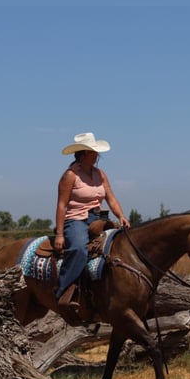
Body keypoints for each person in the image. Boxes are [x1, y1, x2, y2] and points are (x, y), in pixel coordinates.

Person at [54, 132, 130, 317]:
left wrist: (121, 216)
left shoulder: (100, 174)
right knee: (79, 249)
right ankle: (64, 292)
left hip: (98, 219)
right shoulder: (70, 175)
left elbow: (111, 198)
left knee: (122, 245)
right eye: (92, 152)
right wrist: (60, 234)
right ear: (82, 153)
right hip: (76, 219)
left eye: (96, 152)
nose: (96, 155)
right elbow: (62, 205)